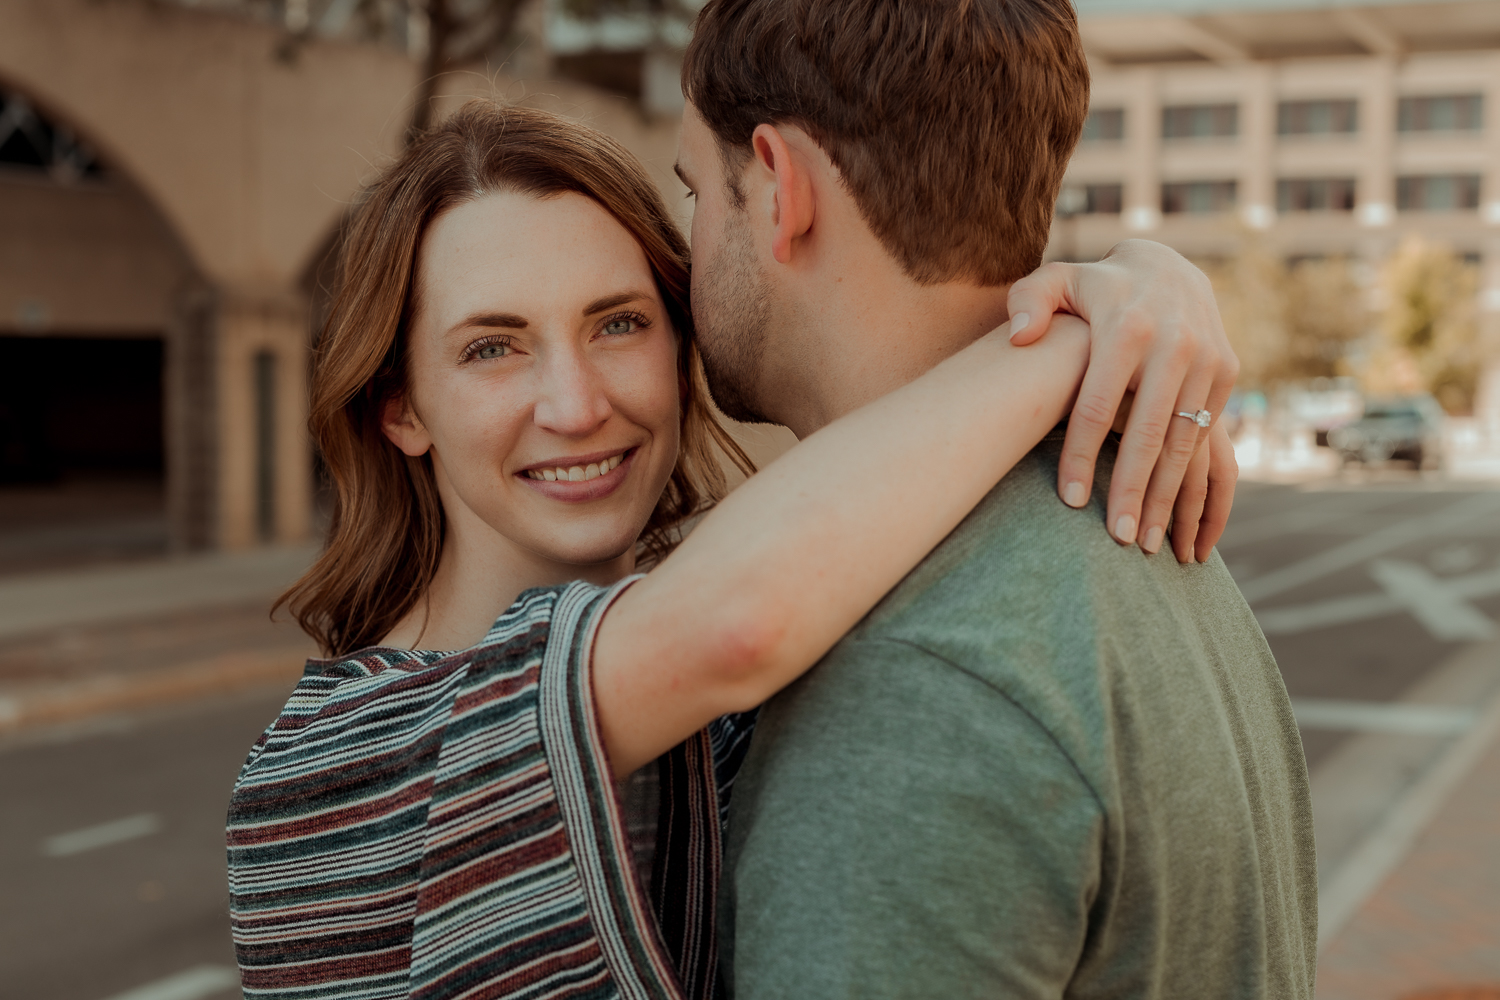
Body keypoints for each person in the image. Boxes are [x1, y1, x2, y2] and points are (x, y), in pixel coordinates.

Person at [225, 100, 1239, 999]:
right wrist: (1092, 326)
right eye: (492, 347)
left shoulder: (749, 687)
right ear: (401, 408)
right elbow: (730, 624)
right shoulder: (323, 772)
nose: (577, 406)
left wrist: (1149, 284)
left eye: (617, 324)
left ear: (682, 344)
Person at [675, 2, 1320, 998]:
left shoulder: (910, 675)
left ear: (778, 187)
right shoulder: (1131, 516)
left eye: (694, 193)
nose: (688, 248)